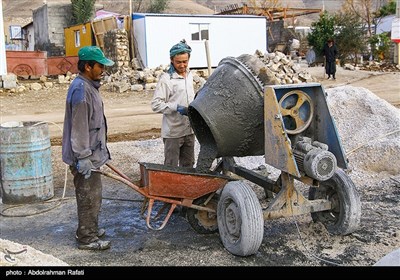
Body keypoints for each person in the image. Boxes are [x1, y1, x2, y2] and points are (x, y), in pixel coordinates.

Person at [62, 46, 114, 251]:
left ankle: (90, 227)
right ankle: (86, 238)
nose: (103, 69)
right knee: (88, 197)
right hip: (84, 157)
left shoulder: (89, 86)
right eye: (100, 66)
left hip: (92, 153)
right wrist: (83, 156)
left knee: (94, 195)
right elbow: (80, 127)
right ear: (87, 66)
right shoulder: (82, 91)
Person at [151, 39, 196, 168]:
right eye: (178, 62)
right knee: (171, 167)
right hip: (173, 132)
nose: (182, 65)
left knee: (188, 165)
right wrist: (175, 107)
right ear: (171, 60)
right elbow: (155, 104)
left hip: (189, 130)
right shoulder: (167, 79)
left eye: (185, 61)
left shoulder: (189, 75)